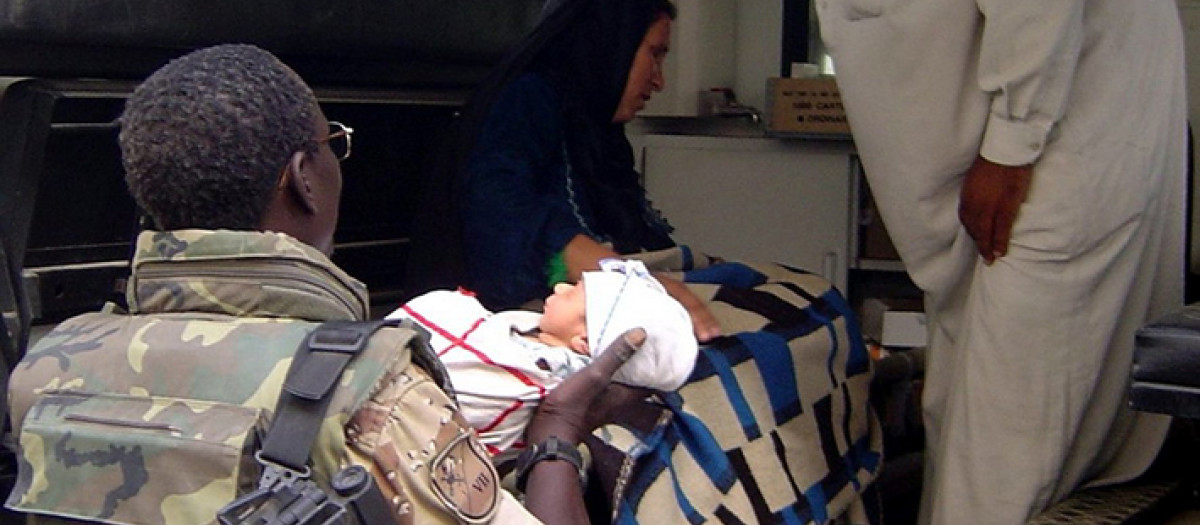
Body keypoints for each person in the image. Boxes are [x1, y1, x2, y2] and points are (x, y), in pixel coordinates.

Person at [3, 43, 642, 525]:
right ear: (304, 177)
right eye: (333, 145)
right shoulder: (375, 391)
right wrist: (556, 434)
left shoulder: (50, 364)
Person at [816, 1, 1187, 523]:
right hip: (1018, 142)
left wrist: (1012, 145)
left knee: (1006, 450)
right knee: (972, 419)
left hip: (1050, 145)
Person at [404, 0, 722, 343]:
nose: (659, 81)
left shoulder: (599, 133)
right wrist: (633, 282)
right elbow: (505, 220)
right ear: (608, 46)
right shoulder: (526, 103)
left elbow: (635, 242)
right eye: (654, 54)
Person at [389, 259, 698, 461]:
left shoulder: (525, 384)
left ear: (584, 341)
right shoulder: (525, 332)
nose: (559, 286)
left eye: (573, 292)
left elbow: (452, 384)